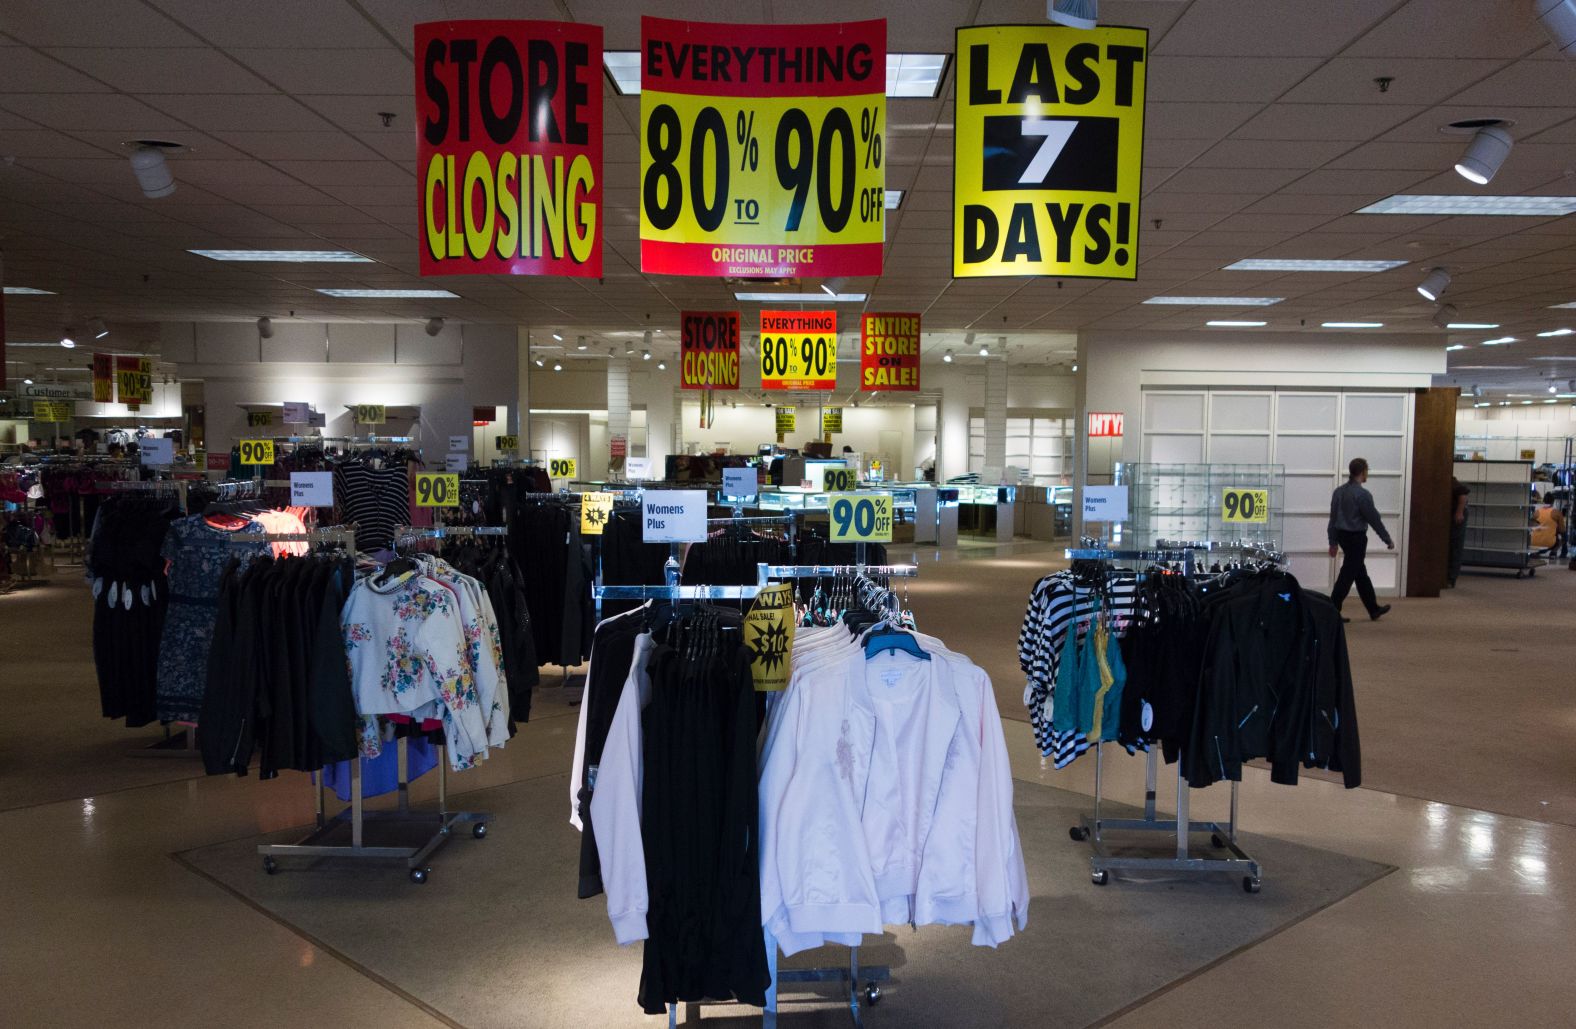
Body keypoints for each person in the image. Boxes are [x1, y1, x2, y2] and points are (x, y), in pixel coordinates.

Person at [1328, 457, 1393, 622]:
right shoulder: (1362, 495)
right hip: (1357, 538)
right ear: (1363, 471)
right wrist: (1387, 539)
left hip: (1343, 536)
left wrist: (1333, 541)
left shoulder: (1339, 492)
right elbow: (1374, 519)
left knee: (1359, 572)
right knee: (1348, 573)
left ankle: (1373, 608)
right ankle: (1332, 610)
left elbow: (1333, 519)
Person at [1447, 476, 1469, 587]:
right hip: (1449, 514)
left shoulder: (1450, 480)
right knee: (1449, 546)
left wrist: (1459, 512)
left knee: (1455, 545)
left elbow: (1463, 494)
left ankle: (1451, 578)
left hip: (1457, 514)